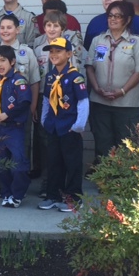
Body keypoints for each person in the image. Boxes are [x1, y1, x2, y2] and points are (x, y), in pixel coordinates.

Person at [85, 1, 139, 164]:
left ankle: (124, 183)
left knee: (127, 144)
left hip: (126, 103)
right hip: (100, 101)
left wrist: (122, 91)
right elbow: (89, 67)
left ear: (127, 20)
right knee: (102, 142)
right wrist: (97, 89)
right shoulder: (98, 40)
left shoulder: (136, 42)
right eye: (110, 15)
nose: (112, 19)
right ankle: (105, 181)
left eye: (118, 16)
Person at [32, 10, 85, 190]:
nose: (51, 29)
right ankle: (49, 184)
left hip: (66, 103)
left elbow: (78, 83)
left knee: (68, 149)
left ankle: (68, 191)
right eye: (48, 25)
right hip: (45, 97)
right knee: (46, 142)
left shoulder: (70, 52)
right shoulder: (38, 49)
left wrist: (79, 121)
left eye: (55, 26)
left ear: (62, 28)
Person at [0, 14, 40, 174]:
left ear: (17, 30)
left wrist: (33, 106)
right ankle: (1, 184)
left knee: (21, 147)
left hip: (20, 110)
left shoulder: (27, 53)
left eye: (9, 27)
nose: (5, 31)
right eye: (2, 28)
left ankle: (21, 182)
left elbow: (34, 81)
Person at [38, 38, 89, 212]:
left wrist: (78, 126)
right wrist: (45, 120)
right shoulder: (51, 76)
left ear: (68, 54)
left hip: (69, 127)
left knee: (72, 163)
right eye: (51, 51)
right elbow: (46, 99)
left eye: (58, 51)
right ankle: (53, 195)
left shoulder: (76, 77)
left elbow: (83, 102)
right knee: (53, 162)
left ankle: (73, 198)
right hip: (53, 126)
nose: (54, 55)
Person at [0, 45, 32, 208]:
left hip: (14, 127)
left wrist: (8, 114)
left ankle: (18, 194)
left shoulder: (18, 80)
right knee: (1, 162)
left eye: (3, 60)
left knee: (18, 162)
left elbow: (24, 102)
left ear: (12, 62)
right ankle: (6, 192)